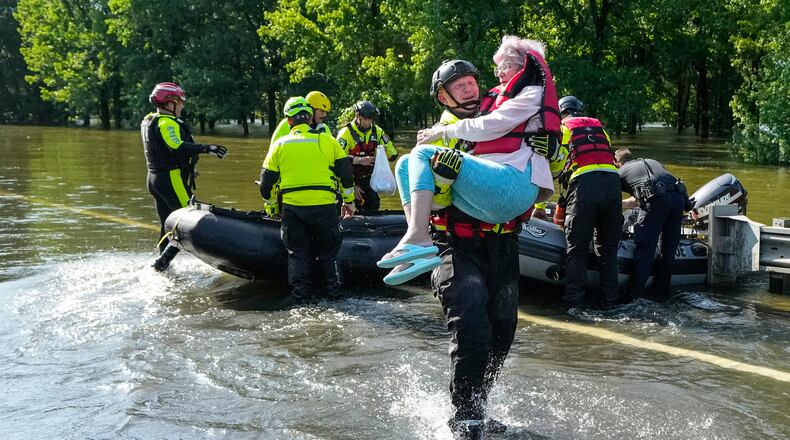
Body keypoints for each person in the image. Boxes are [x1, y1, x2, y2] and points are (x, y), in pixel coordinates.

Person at [382, 35, 560, 439]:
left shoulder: (503, 105)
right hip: (457, 243)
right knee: (472, 327)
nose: (468, 87)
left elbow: (541, 152)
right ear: (442, 97)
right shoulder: (442, 132)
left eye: (471, 81)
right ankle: (465, 419)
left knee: (503, 331)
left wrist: (555, 144)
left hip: (504, 241)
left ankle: (478, 406)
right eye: (457, 85)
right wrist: (442, 182)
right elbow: (433, 191)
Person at [259, 97, 355, 304]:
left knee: (298, 253)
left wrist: (272, 206)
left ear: (289, 120)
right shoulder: (327, 141)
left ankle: (300, 299)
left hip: (293, 209)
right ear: (310, 117)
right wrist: (348, 200)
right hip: (325, 207)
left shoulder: (279, 145)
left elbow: (266, 185)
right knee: (329, 254)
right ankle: (334, 295)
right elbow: (346, 174)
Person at [141, 82, 228, 272]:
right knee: (186, 220)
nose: (182, 106)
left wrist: (188, 169)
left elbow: (162, 151)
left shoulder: (149, 119)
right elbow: (176, 146)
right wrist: (208, 148)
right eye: (179, 102)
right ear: (169, 103)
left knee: (166, 223)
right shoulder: (166, 122)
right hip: (169, 179)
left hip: (154, 179)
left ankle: (162, 266)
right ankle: (162, 262)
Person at [554, 95, 623, 307]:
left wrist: (541, 206)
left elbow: (555, 168)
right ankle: (610, 299)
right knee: (608, 250)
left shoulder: (562, 129)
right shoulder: (600, 128)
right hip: (613, 184)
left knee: (577, 248)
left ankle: (574, 303)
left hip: (584, 185)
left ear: (561, 112)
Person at [615, 148, 689, 300]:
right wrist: (621, 203)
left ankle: (635, 295)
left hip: (656, 202)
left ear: (617, 163)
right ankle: (662, 293)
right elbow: (642, 196)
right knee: (668, 249)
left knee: (645, 248)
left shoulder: (621, 172)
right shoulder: (650, 162)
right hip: (678, 199)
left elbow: (609, 194)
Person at [336, 101, 398, 214]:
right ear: (357, 116)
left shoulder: (377, 131)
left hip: (369, 180)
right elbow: (337, 161)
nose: (368, 122)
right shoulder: (345, 134)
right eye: (365, 118)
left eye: (371, 119)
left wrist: (383, 151)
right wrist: (352, 186)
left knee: (373, 204)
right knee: (344, 206)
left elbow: (393, 155)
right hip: (348, 180)